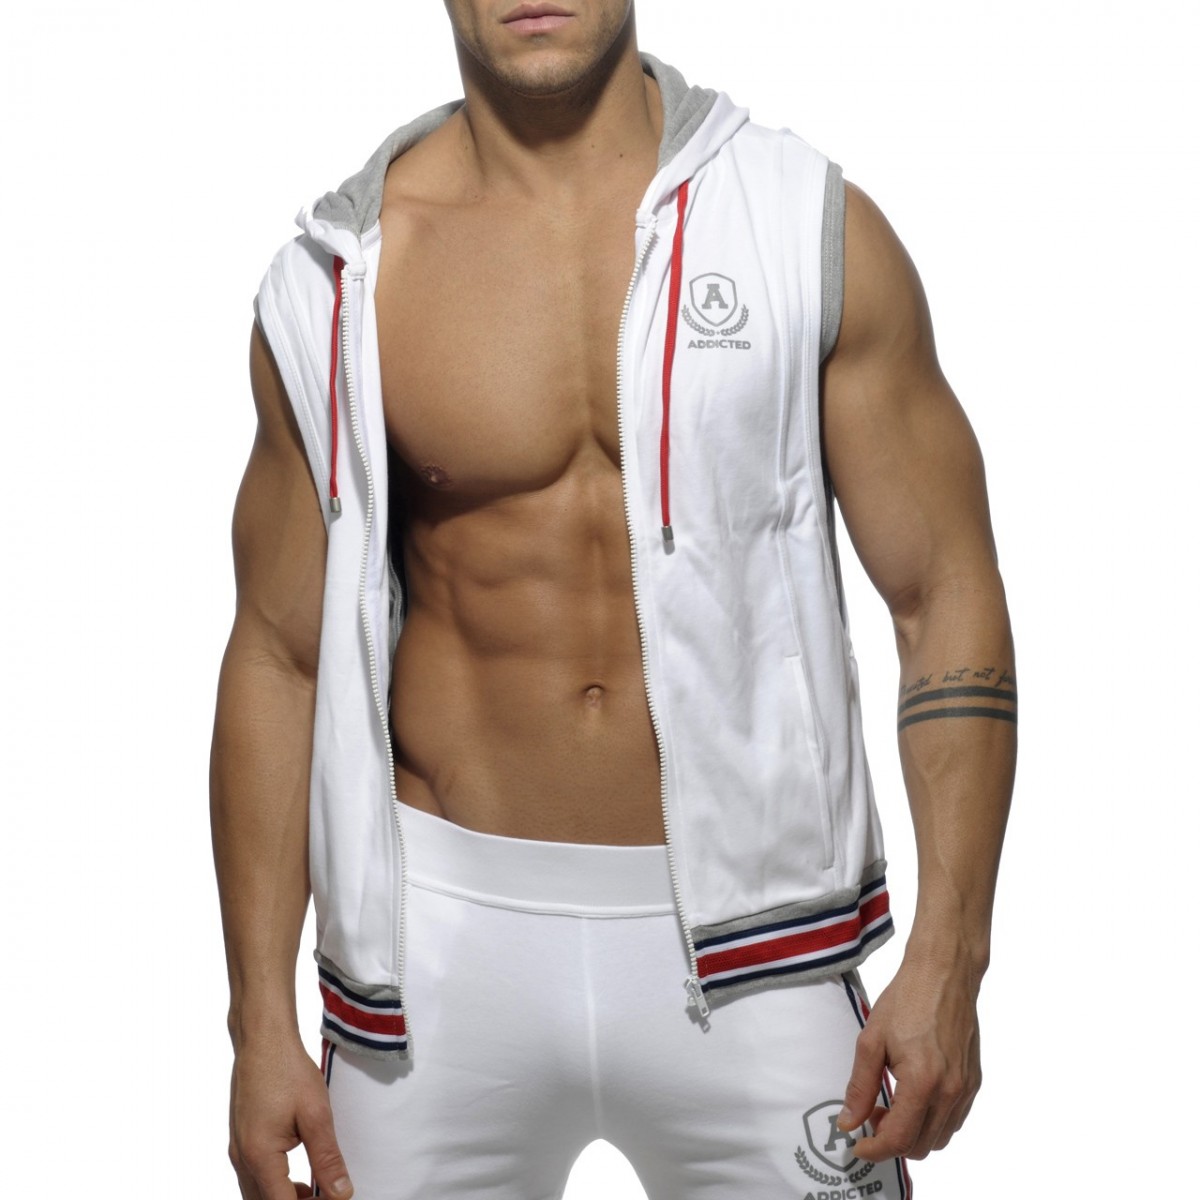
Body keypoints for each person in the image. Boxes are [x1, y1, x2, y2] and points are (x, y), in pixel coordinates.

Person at [210, 3, 1016, 1197]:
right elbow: (278, 655)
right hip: (437, 956)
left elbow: (941, 590)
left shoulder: (801, 227)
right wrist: (258, 1024)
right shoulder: (341, 278)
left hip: (765, 951)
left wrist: (952, 955)